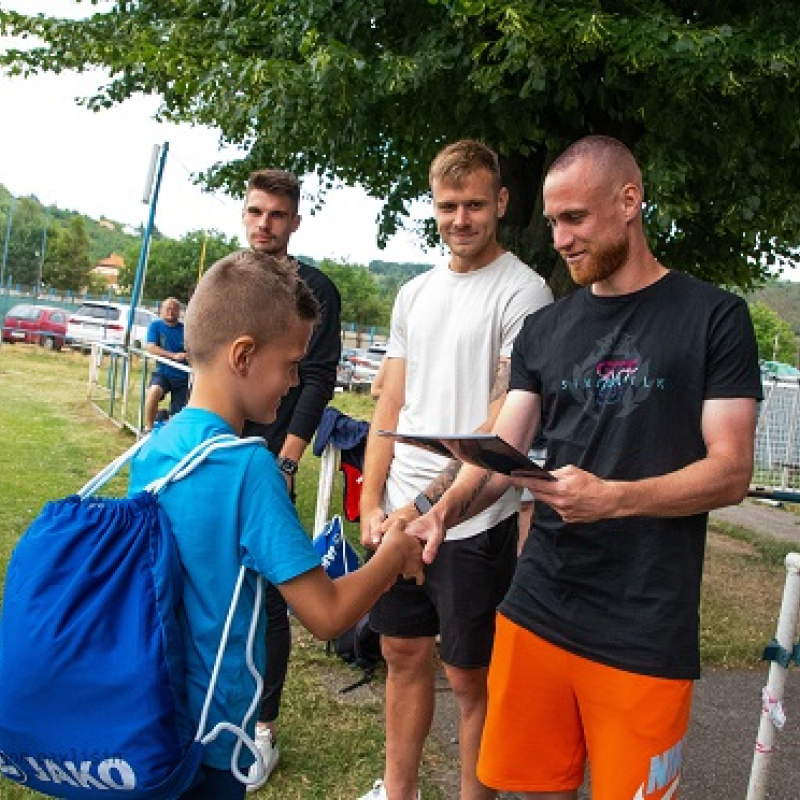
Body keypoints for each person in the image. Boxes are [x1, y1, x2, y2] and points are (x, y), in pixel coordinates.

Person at [407, 135, 762, 800]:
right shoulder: (547, 330)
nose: (562, 238)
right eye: (551, 223)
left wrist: (615, 499)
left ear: (630, 201)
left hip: (644, 625)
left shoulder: (715, 318)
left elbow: (731, 470)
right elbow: (502, 455)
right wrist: (442, 513)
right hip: (537, 607)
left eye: (575, 218)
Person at [128, 251, 423, 800]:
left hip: (150, 710)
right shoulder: (248, 467)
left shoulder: (157, 446)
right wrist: (393, 557)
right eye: (291, 364)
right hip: (211, 736)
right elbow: (327, 614)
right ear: (243, 355)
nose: (293, 383)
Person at [358, 139, 553, 800]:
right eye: (448, 205)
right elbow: (391, 398)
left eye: (475, 203)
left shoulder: (526, 292)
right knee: (400, 655)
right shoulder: (413, 293)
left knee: (470, 676)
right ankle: (399, 791)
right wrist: (372, 505)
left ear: (501, 201)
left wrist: (426, 513)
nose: (461, 219)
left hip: (473, 521)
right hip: (401, 512)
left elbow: (500, 427)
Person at [239, 168, 342, 787]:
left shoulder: (316, 289)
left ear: (295, 221)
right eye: (255, 211)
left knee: (274, 594)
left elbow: (317, 379)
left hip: (273, 458)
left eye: (276, 214)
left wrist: (286, 461)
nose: (263, 224)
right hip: (216, 455)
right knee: (200, 577)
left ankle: (264, 728)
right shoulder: (225, 277)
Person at [143, 297, 189, 431]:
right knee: (153, 392)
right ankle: (149, 428)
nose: (171, 312)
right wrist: (173, 356)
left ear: (179, 312)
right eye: (168, 308)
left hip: (183, 377)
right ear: (161, 311)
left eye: (174, 309)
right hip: (163, 373)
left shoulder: (185, 330)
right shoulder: (156, 326)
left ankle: (167, 420)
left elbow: (193, 350)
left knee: (178, 415)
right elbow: (151, 347)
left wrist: (186, 355)